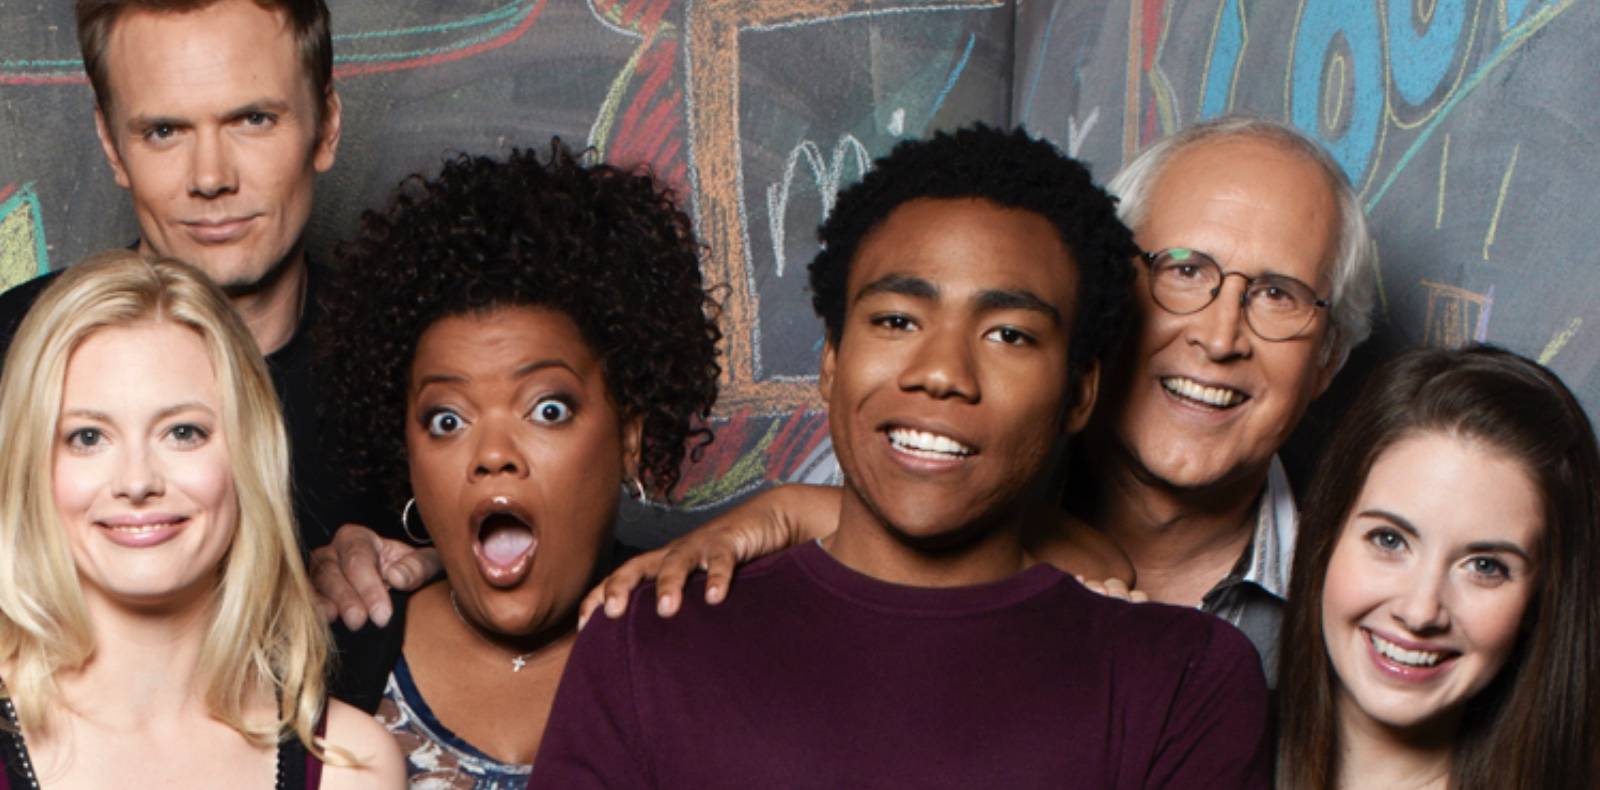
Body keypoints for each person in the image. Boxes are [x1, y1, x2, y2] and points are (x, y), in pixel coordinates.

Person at [530, 125, 1270, 788]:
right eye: (896, 320)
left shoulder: (1183, 681)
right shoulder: (650, 642)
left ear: (1079, 393)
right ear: (831, 361)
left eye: (1009, 335)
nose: (941, 372)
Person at [574, 114, 1379, 683]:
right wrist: (788, 512)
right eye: (1184, 270)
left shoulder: (1368, 611)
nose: (1220, 334)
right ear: (1105, 298)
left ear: (1328, 360)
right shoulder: (925, 451)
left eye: (1280, 295)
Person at [318, 142, 720, 786]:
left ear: (630, 439)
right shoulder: (331, 657)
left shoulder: (717, 644)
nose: (494, 455)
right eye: (447, 420)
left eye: (548, 410)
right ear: (408, 455)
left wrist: (784, 514)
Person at [0, 0, 390, 556]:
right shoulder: (13, 356)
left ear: (326, 125)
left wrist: (438, 586)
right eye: (164, 131)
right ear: (112, 146)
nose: (210, 177)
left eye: (253, 120)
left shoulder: (416, 366)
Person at [0, 251, 402, 788]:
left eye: (183, 432)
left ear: (248, 455)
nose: (137, 481)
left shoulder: (351, 766)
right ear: (31, 465)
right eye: (88, 437)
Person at [1276, 345, 1599, 789]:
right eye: (1389, 540)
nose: (1420, 612)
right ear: (1325, 537)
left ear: (1541, 600)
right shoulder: (1205, 742)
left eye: (1484, 566)